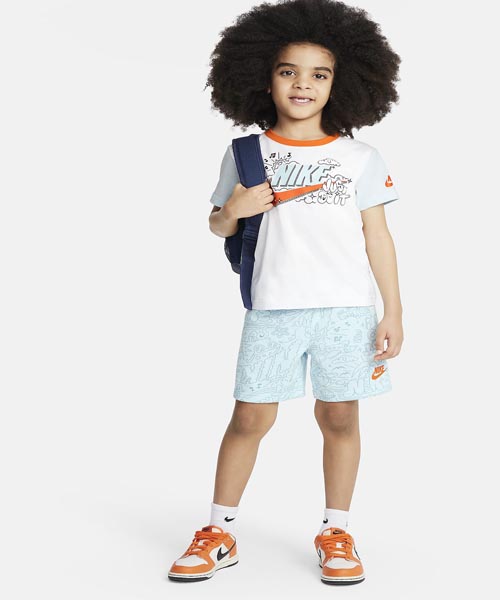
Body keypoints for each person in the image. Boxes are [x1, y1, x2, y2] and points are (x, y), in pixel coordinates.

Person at [168, 0, 404, 586]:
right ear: (263, 78)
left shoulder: (359, 158)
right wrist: (234, 209)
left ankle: (336, 530)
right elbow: (218, 225)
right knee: (249, 416)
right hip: (273, 308)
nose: (303, 84)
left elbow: (378, 237)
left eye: (319, 74)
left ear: (341, 83)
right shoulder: (246, 153)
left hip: (346, 310)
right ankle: (219, 531)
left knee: (340, 416)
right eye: (288, 71)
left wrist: (393, 311)